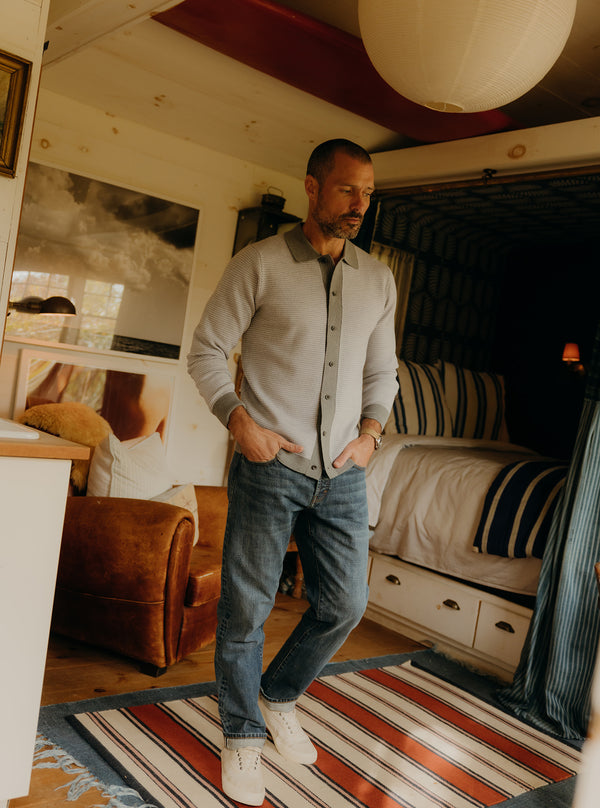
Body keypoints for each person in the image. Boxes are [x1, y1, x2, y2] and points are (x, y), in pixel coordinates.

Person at [187, 138, 398, 805]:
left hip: (344, 473)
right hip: (271, 466)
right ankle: (243, 736)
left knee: (345, 604)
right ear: (312, 187)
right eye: (347, 190)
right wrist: (238, 421)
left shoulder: (380, 279)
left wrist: (371, 434)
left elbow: (382, 371)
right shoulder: (260, 263)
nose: (360, 204)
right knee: (246, 608)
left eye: (368, 192)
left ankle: (278, 695)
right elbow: (208, 352)